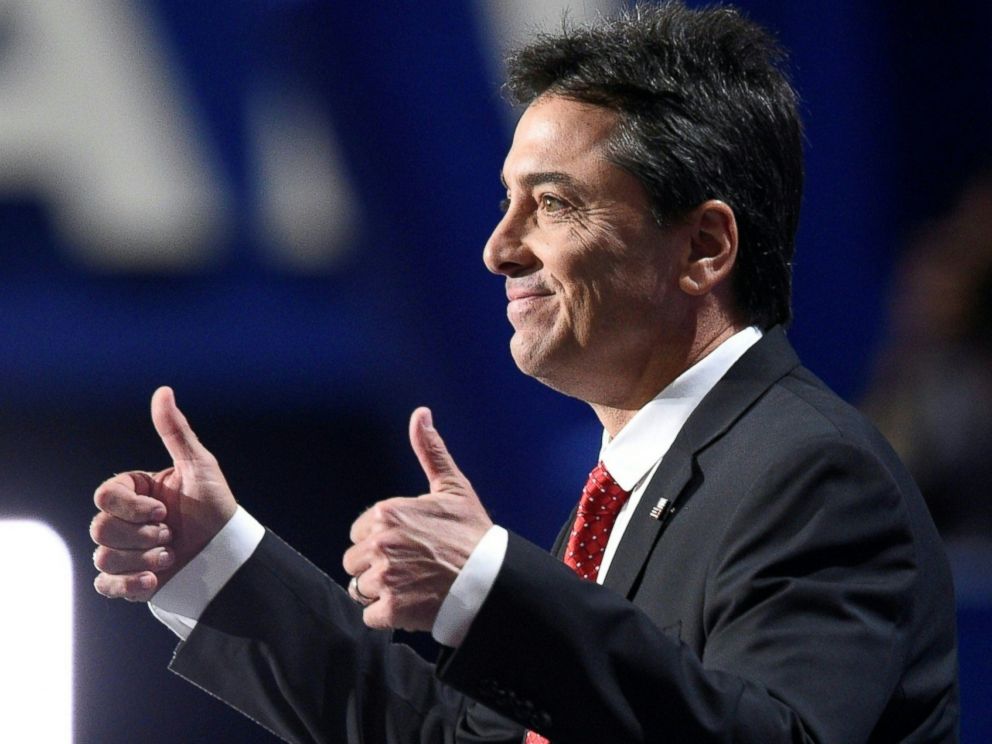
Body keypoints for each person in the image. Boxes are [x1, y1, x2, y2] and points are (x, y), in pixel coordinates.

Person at [89, 3, 959, 742]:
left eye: (551, 204)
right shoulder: (638, 492)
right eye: (507, 202)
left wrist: (490, 585)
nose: (499, 248)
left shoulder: (813, 472)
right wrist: (217, 565)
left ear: (704, 246)